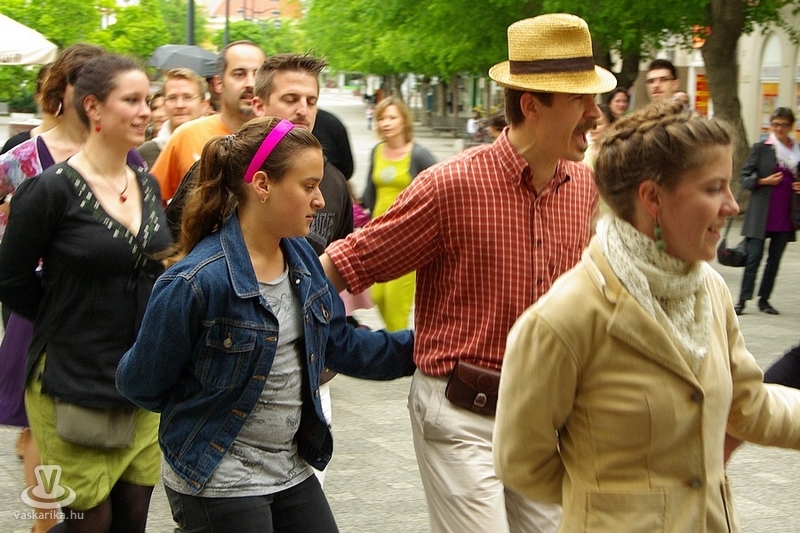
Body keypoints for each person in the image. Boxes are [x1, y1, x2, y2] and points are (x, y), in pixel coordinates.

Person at [321, 14, 615, 533]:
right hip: (460, 416)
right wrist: (292, 340)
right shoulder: (450, 186)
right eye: (581, 99)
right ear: (531, 105)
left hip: (544, 421)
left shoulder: (585, 191)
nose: (596, 113)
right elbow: (343, 264)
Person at [495, 98, 800, 532]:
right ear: (652, 197)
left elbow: (750, 405)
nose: (733, 206)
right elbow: (521, 462)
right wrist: (613, 505)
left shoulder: (711, 291)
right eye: (714, 189)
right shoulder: (564, 318)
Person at [116, 116, 415, 533]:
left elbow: (339, 344)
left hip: (290, 468)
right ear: (262, 185)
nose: (320, 200)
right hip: (216, 477)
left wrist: (425, 349)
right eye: (308, 186)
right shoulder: (197, 281)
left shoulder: (303, 258)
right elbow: (141, 383)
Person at [0, 53, 172, 533]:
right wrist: (66, 318)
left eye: (148, 100)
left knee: (133, 519)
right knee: (89, 522)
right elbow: (10, 278)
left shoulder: (146, 182)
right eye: (131, 100)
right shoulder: (49, 189)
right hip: (72, 384)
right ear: (93, 107)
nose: (145, 111)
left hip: (138, 382)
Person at [0, 43, 107, 533]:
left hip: (101, 305)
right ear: (61, 92)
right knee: (40, 422)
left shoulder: (122, 155)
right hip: (39, 302)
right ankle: (44, 525)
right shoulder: (22, 157)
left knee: (91, 420)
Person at [250, 52, 355, 485]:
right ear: (259, 105)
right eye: (290, 98)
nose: (302, 110)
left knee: (308, 497)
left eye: (310, 100)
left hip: (311, 374)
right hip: (240, 375)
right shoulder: (222, 172)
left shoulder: (334, 183)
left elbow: (342, 263)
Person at [150, 40, 266, 203]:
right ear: (218, 83)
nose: (250, 84)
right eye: (239, 74)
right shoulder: (187, 135)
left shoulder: (281, 140)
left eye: (257, 74)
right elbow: (151, 201)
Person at [360, 96, 435, 332]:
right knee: (378, 295)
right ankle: (398, 342)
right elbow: (370, 192)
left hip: (407, 240)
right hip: (379, 236)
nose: (386, 123)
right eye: (381, 118)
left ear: (404, 121)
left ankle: (401, 349)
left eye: (392, 117)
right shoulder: (377, 151)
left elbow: (439, 188)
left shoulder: (419, 155)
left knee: (395, 305)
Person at [734, 107, 800, 316]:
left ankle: (764, 300)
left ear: (791, 126)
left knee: (774, 260)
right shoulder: (762, 148)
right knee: (753, 258)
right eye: (775, 124)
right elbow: (744, 178)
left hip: (786, 214)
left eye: (784, 125)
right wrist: (763, 181)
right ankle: (742, 300)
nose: (779, 129)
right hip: (761, 214)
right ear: (771, 125)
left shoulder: (797, 151)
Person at [137, 67, 208, 168]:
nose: (179, 105)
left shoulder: (219, 148)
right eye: (172, 98)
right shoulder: (146, 153)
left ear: (204, 105)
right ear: (164, 105)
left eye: (187, 97)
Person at [1, 64, 59, 155]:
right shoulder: (16, 145)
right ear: (38, 96)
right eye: (52, 90)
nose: (59, 97)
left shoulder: (82, 150)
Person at [312, 107, 355, 180]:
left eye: (311, 103)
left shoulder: (332, 124)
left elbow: (346, 169)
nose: (303, 111)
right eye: (292, 101)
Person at [583, 103, 615, 168]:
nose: (593, 128)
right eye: (590, 123)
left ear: (611, 125)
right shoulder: (584, 149)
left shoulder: (616, 152)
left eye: (599, 124)